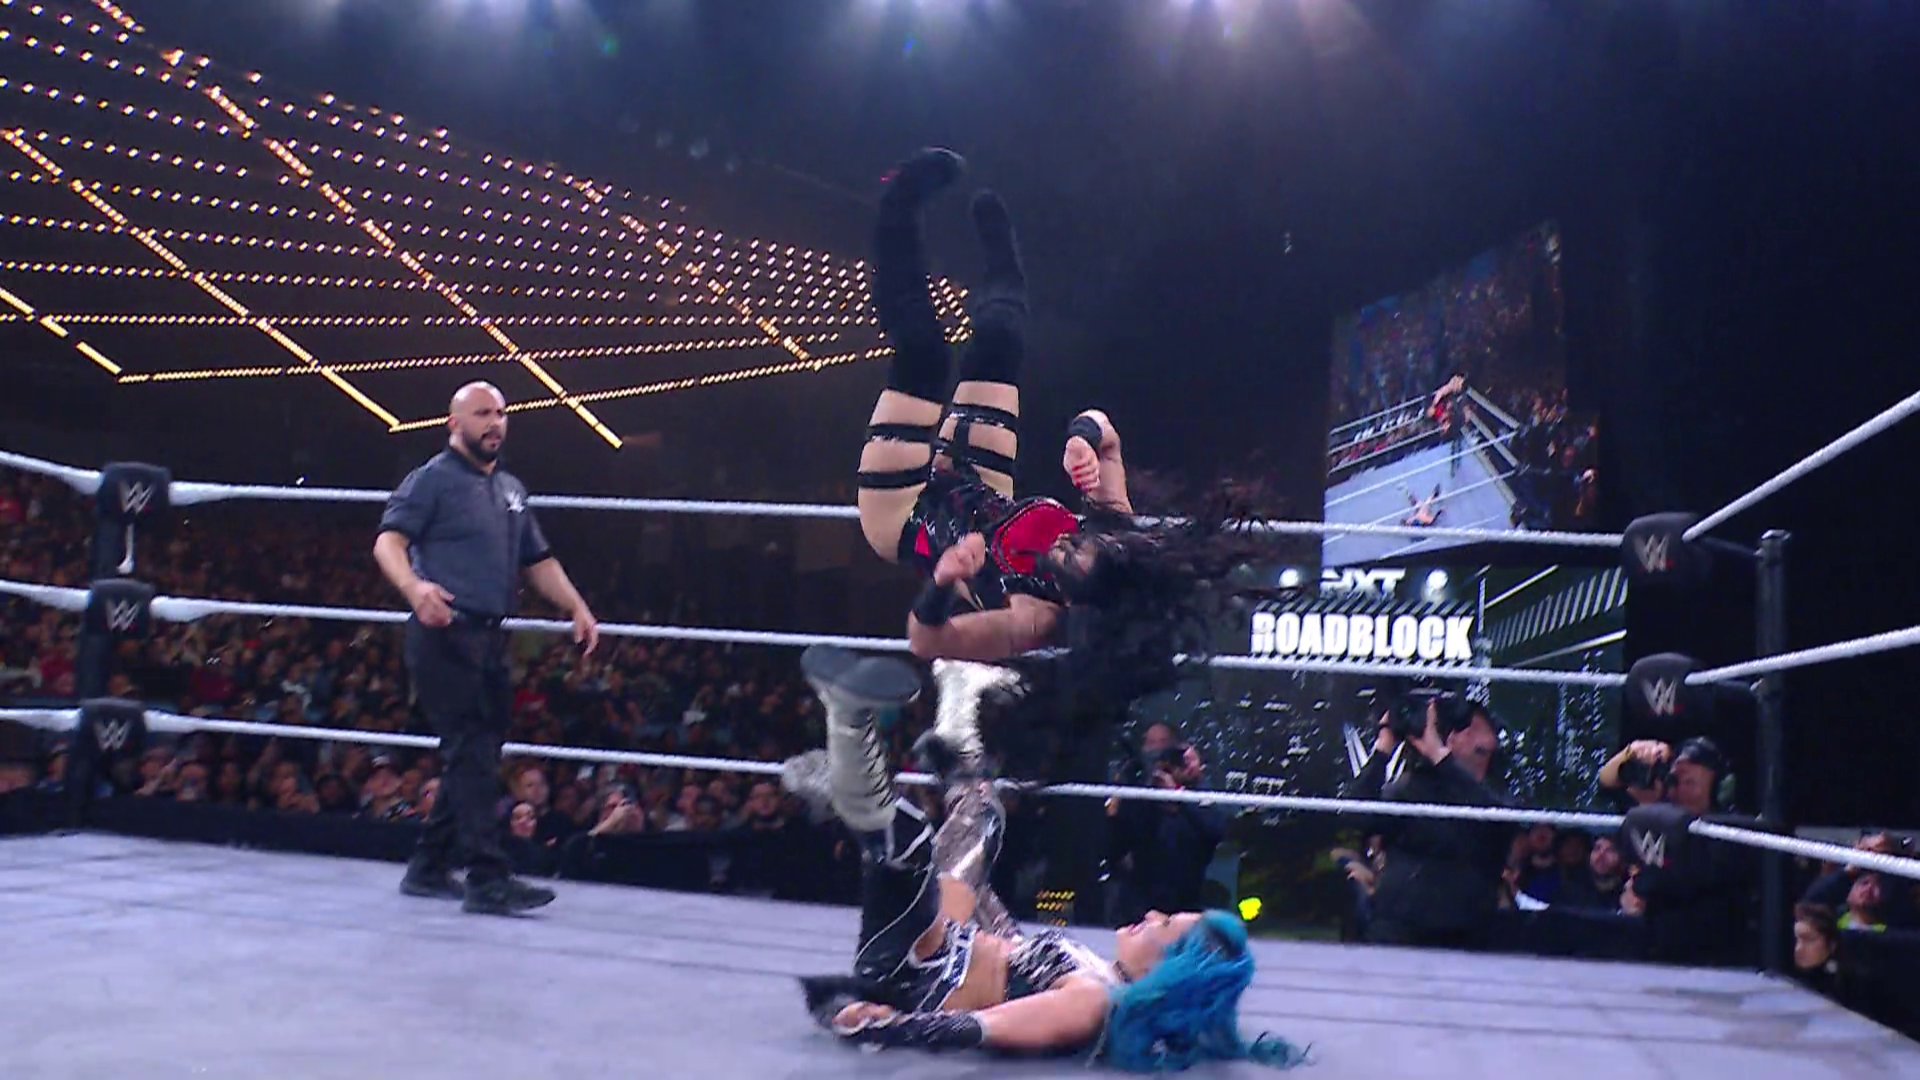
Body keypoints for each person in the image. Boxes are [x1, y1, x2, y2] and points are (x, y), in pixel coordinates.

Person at [856, 147, 1264, 707]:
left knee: (924, 356)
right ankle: (1001, 248)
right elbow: (1106, 432)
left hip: (907, 517)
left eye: (1071, 558)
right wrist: (1083, 440)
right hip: (980, 487)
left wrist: (945, 583)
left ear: (1079, 605)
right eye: (1083, 541)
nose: (1070, 539)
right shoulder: (1114, 537)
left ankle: (897, 203)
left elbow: (925, 640)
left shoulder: (1030, 622)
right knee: (1001, 342)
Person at [782, 644, 1305, 1071]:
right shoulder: (1100, 974)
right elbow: (1013, 954)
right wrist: (977, 887)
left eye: (1164, 925)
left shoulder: (1093, 1001)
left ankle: (848, 730)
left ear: (1168, 970)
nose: (1151, 915)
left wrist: (864, 1018)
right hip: (948, 938)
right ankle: (957, 693)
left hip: (916, 965)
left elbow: (978, 1028)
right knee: (982, 820)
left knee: (911, 840)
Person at [373, 381, 600, 916]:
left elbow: (538, 560)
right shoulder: (431, 479)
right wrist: (414, 588)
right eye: (481, 413)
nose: (494, 422)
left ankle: (429, 867)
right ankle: (487, 877)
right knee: (471, 749)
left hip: (492, 636)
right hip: (445, 631)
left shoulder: (510, 489)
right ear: (454, 423)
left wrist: (576, 606)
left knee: (478, 753)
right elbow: (388, 541)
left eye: (500, 413)